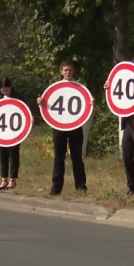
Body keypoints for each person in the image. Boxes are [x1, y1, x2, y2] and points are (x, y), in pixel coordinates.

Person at [38, 59, 91, 195]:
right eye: (65, 70)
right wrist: (40, 102)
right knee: (58, 157)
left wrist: (91, 103)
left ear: (74, 71)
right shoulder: (55, 88)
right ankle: (56, 188)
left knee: (77, 157)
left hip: (75, 126)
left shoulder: (79, 87)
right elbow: (47, 104)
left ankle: (81, 186)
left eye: (70, 70)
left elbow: (85, 103)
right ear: (61, 71)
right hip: (59, 126)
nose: (68, 72)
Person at [104, 58, 134, 196]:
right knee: (126, 156)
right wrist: (109, 87)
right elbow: (116, 92)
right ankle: (132, 187)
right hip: (127, 123)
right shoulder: (126, 80)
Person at [0, 77, 28, 190]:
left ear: (11, 87)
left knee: (14, 154)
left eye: (7, 90)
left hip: (15, 131)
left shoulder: (19, 98)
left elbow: (25, 111)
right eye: (2, 90)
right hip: (1, 131)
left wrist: (30, 120)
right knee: (2, 154)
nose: (4, 92)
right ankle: (3, 179)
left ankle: (13, 179)